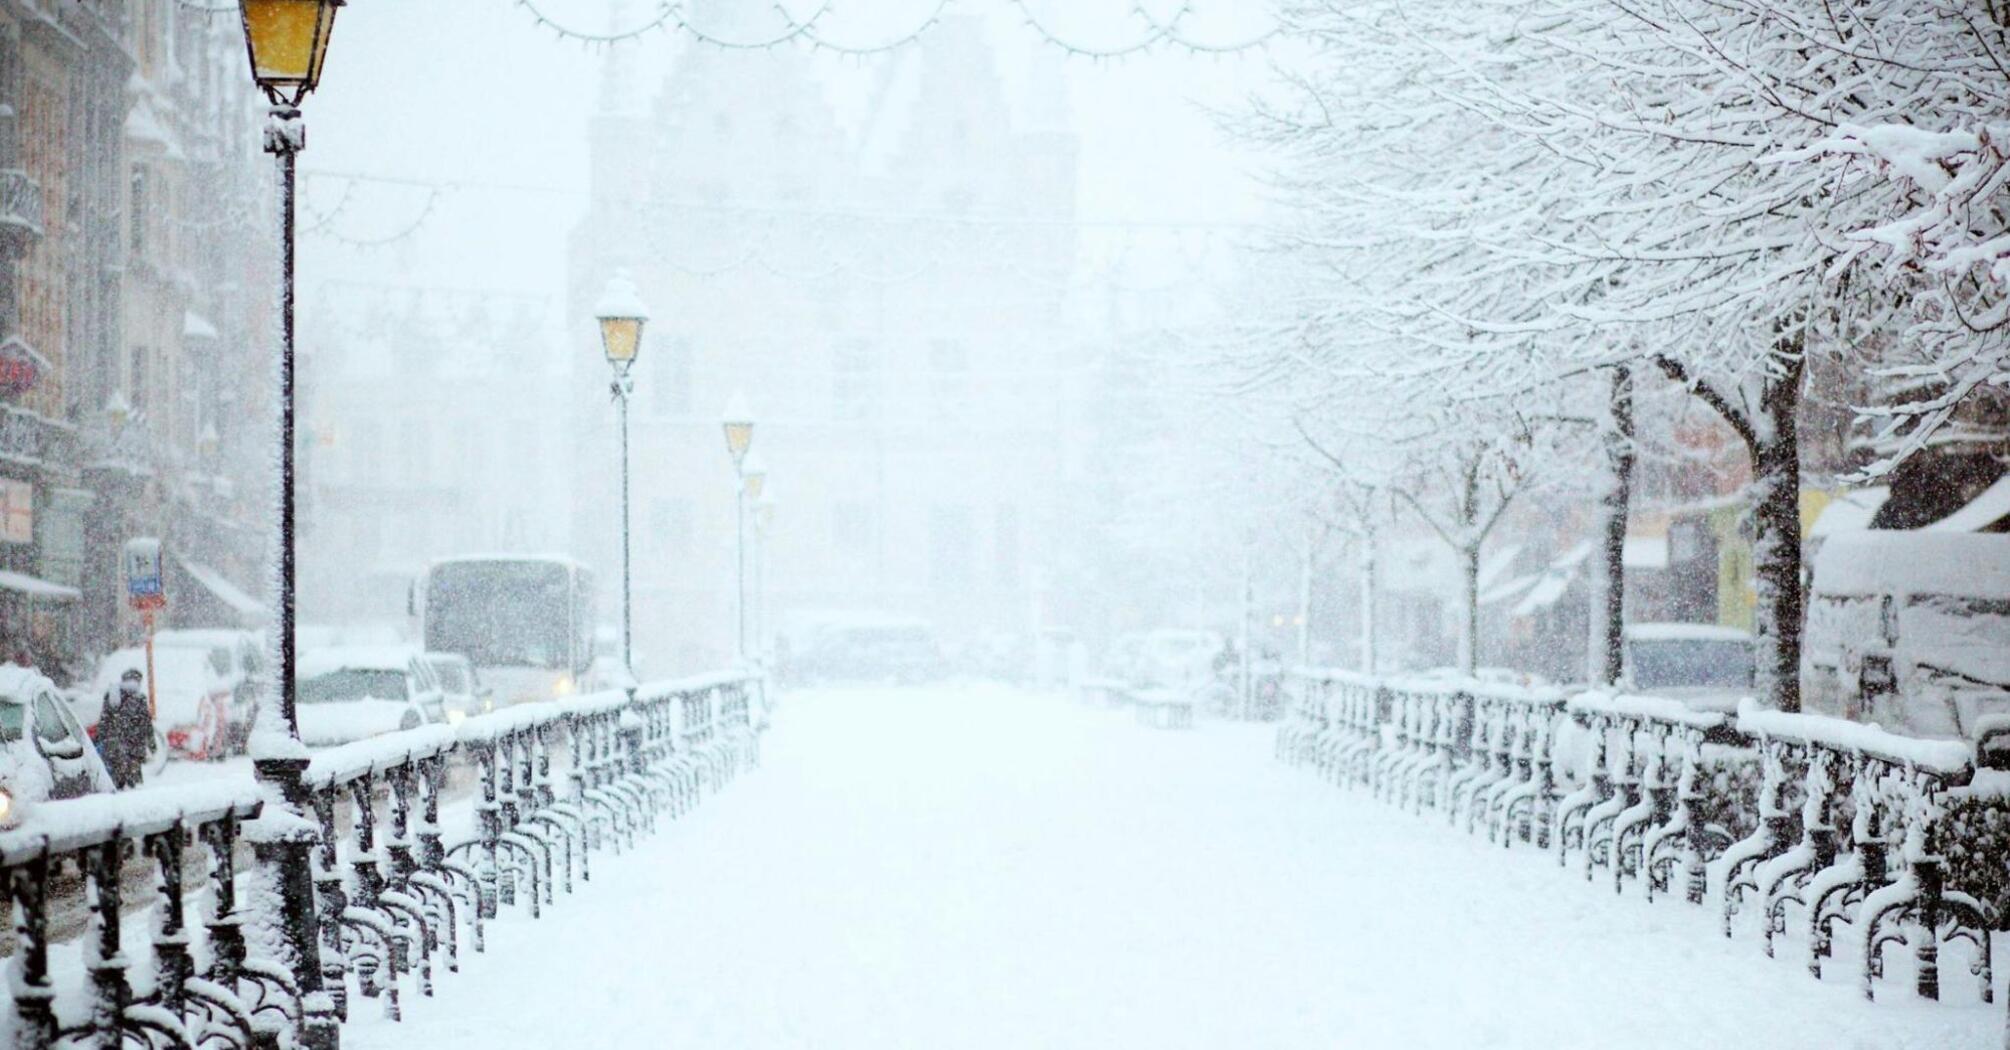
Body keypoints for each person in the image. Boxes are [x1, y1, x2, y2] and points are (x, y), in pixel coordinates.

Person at [98, 668, 153, 790]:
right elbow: (146, 724)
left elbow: (104, 720)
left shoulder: (111, 695)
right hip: (134, 748)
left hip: (113, 747)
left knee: (116, 779)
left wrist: (102, 739)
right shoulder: (139, 698)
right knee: (134, 784)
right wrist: (151, 744)